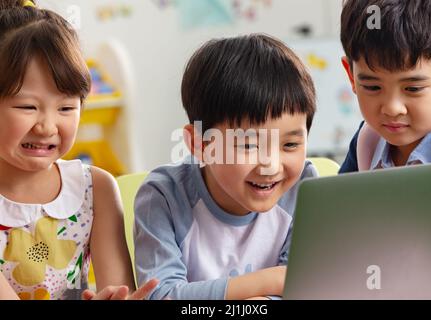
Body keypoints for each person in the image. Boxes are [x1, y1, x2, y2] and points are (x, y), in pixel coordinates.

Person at [134, 34, 317, 300]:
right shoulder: (163, 197)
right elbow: (161, 296)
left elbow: (307, 287)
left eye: (289, 145)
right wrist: (272, 279)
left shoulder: (305, 188)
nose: (271, 166)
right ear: (199, 144)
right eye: (248, 146)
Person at [0, 0, 157, 300]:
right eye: (27, 107)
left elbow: (118, 287)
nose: (47, 126)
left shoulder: (94, 188)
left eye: (66, 107)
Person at [339, 0, 431, 173]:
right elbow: (340, 200)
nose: (392, 109)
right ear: (351, 77)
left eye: (413, 89)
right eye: (372, 87)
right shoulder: (367, 142)